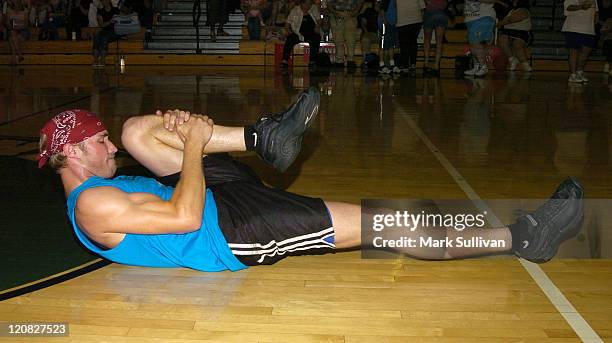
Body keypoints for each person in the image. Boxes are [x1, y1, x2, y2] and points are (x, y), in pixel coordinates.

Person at [38, 88, 585, 270]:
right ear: (73, 151)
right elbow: (182, 216)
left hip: (214, 198)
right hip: (230, 229)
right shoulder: (92, 207)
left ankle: (263, 138)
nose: (109, 146)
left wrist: (182, 134)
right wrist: (194, 147)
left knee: (141, 130)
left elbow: (151, 159)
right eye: (98, 139)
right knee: (380, 223)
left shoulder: (98, 189)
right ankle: (523, 238)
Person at [562, 0, 598, 83]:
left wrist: (595, 20)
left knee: (585, 53)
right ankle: (573, 75)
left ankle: (579, 71)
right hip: (573, 28)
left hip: (588, 29)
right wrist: (581, 7)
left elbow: (596, 11)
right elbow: (568, 7)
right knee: (574, 52)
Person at [280, 0, 321, 68]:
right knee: (290, 39)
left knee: (316, 38)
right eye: (306, 4)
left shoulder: (314, 8)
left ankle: (312, 61)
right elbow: (287, 23)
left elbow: (319, 20)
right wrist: (289, 32)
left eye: (309, 4)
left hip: (311, 33)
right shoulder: (295, 10)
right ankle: (285, 60)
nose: (308, 6)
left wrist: (317, 26)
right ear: (302, 3)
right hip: (298, 33)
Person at [463, 0, 497, 77]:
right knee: (472, 44)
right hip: (471, 19)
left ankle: (483, 66)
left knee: (476, 43)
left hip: (483, 18)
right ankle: (477, 66)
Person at [497, 0, 532, 72]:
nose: (513, 1)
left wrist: (500, 23)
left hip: (522, 32)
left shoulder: (524, 10)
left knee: (517, 44)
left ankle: (524, 63)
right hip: (508, 31)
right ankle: (512, 59)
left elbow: (512, 19)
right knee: (502, 40)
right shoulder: (511, 10)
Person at [327, 0, 363, 68]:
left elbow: (360, 3)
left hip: (351, 15)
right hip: (336, 15)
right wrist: (335, 12)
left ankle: (351, 60)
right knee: (338, 40)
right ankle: (339, 60)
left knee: (351, 40)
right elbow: (328, 3)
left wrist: (354, 13)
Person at [396, 0, 425, 76]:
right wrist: (421, 20)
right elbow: (422, 7)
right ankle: (413, 63)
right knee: (413, 42)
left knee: (404, 44)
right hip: (416, 20)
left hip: (402, 21)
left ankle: (405, 65)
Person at [422, 0, 449, 77]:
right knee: (439, 42)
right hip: (441, 13)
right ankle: (436, 66)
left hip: (430, 12)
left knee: (427, 39)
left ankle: (426, 64)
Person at [91, 0, 118, 67]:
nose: (104, 2)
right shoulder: (100, 11)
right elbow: (101, 24)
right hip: (104, 31)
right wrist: (110, 22)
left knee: (104, 38)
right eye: (103, 1)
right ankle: (95, 60)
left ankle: (102, 60)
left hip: (114, 31)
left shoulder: (115, 10)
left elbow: (120, 20)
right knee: (97, 37)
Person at [378, 0, 400, 74]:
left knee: (391, 45)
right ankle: (381, 65)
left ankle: (392, 64)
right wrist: (384, 20)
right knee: (382, 45)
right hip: (386, 24)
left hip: (392, 24)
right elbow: (381, 9)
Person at [597, 0, 612, 75]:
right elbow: (603, 31)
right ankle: (608, 65)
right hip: (607, 39)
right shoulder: (609, 20)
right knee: (610, 44)